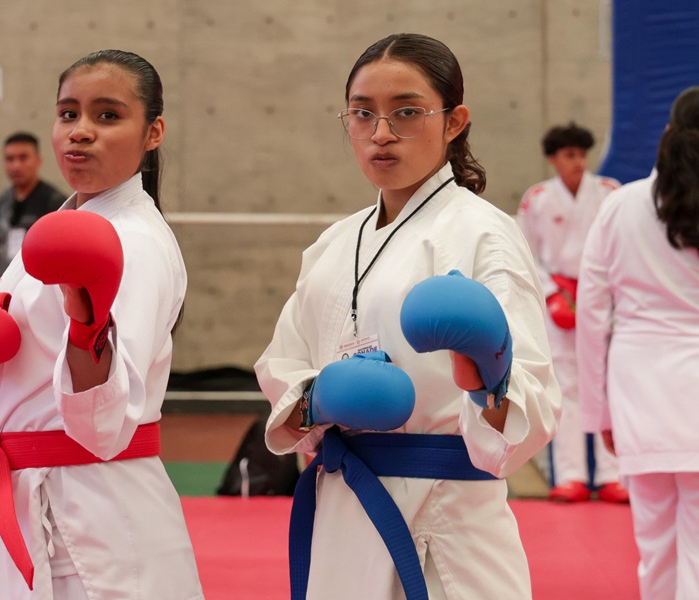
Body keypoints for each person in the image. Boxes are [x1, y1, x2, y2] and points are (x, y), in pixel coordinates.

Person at [255, 33, 561, 599]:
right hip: (343, 503)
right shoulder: (333, 243)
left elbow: (532, 411)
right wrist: (315, 401)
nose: (381, 132)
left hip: (444, 517)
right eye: (362, 114)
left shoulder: (484, 234)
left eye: (407, 113)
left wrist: (490, 378)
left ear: (454, 122)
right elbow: (283, 360)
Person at [0, 50, 203, 598]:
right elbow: (13, 395)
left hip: (91, 511)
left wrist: (86, 328)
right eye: (67, 114)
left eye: (108, 115)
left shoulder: (135, 240)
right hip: (27, 490)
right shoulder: (60, 230)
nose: (80, 131)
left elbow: (104, 424)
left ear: (153, 133)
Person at [577, 86, 699, 599]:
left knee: (655, 546)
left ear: (668, 134)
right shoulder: (622, 204)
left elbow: (590, 314)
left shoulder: (620, 205)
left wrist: (596, 410)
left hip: (639, 387)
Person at [516, 123, 629, 503]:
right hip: (560, 295)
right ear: (553, 159)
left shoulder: (610, 192)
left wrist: (608, 290)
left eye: (582, 154)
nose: (578, 161)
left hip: (602, 294)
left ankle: (614, 475)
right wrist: (551, 294)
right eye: (569, 155)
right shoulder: (537, 199)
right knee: (565, 387)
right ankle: (571, 476)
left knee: (608, 381)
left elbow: (624, 247)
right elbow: (525, 253)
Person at [0, 132, 66, 285]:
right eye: (10, 159)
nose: (16, 166)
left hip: (40, 287)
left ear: (38, 160)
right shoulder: (1, 202)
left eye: (23, 158)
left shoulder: (54, 202)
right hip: (6, 285)